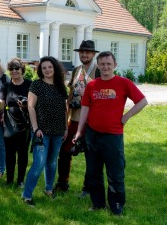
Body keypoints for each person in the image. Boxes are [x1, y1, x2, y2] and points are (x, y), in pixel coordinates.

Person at [73, 51, 147, 215]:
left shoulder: (123, 83)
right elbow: (85, 108)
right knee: (93, 172)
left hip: (113, 136)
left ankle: (117, 206)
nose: (105, 67)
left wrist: (126, 116)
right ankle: (98, 204)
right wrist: (79, 131)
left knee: (115, 173)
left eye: (109, 64)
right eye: (102, 64)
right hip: (92, 134)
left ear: (115, 65)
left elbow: (142, 101)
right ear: (98, 66)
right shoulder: (92, 85)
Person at [54, 40, 100, 197]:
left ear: (93, 54)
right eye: (82, 52)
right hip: (74, 119)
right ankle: (62, 183)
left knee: (91, 156)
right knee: (65, 152)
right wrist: (65, 120)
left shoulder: (99, 71)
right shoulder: (76, 71)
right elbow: (70, 95)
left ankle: (87, 188)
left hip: (92, 121)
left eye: (87, 52)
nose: (84, 54)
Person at [22, 56, 68, 206]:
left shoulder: (61, 86)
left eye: (50, 67)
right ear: (40, 71)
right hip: (42, 132)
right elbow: (30, 107)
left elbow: (64, 109)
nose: (47, 70)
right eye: (44, 68)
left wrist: (66, 127)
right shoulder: (36, 85)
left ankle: (49, 189)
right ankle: (27, 195)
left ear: (55, 68)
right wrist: (35, 129)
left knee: (52, 162)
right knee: (39, 164)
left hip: (58, 131)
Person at [0, 58, 31, 188]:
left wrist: (25, 106)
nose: (14, 71)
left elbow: (35, 105)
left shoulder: (29, 85)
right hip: (9, 124)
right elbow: (1, 107)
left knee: (23, 154)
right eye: (12, 69)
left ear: (22, 70)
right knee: (9, 153)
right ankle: (9, 180)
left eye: (17, 68)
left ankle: (20, 181)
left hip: (25, 124)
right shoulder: (6, 86)